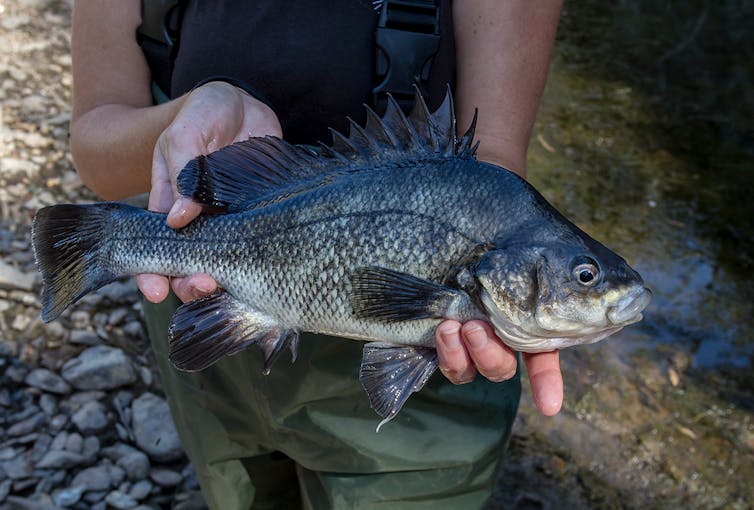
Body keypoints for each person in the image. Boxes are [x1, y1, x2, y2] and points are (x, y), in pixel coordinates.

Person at [70, 1, 564, 508]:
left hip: (423, 403)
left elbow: (493, 166)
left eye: (585, 276)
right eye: (585, 276)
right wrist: (181, 119)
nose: (591, 286)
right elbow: (92, 139)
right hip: (218, 342)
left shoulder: (496, 249)